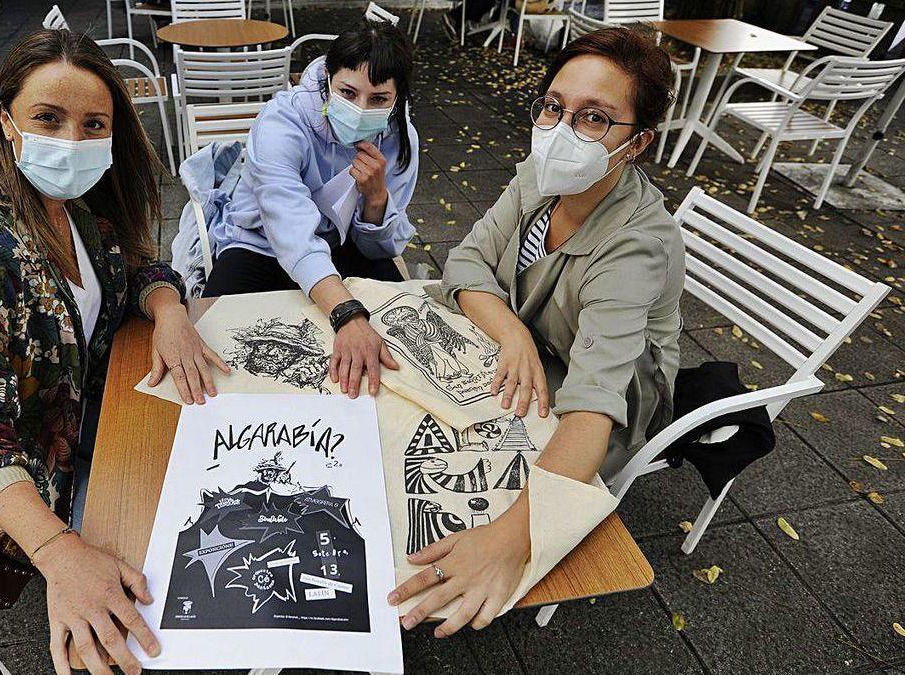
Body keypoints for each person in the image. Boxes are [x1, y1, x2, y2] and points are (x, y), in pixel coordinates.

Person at [0, 29, 228, 675]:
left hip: (81, 418)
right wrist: (59, 550)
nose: (71, 141)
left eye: (93, 124)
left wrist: (170, 309)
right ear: (6, 120)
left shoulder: (72, 204)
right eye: (49, 118)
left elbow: (137, 264)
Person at [390, 27, 684, 635]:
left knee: (450, 483)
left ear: (639, 143)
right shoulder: (542, 176)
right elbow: (466, 261)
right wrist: (514, 335)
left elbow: (594, 410)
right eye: (554, 106)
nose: (559, 131)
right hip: (529, 346)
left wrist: (509, 538)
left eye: (594, 118)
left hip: (606, 387)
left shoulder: (634, 248)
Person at [201, 17, 420, 400]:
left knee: (406, 338)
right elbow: (288, 227)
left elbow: (379, 249)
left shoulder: (401, 138)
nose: (360, 108)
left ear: (397, 98)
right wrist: (345, 313)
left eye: (379, 99)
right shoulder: (282, 122)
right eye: (348, 93)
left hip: (340, 243)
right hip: (259, 245)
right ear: (327, 81)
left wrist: (376, 200)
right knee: (217, 345)